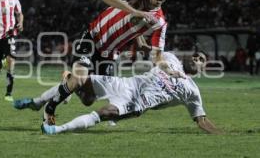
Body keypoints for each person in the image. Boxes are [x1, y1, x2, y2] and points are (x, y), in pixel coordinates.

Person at [16, 0, 174, 121]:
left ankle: (68, 78)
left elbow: (156, 54)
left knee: (88, 99)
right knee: (79, 80)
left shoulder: (159, 22)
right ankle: (49, 109)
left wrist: (160, 62)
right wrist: (135, 11)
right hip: (93, 37)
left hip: (110, 54)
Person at [40, 51, 221, 134]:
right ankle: (69, 81)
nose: (196, 59)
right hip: (127, 84)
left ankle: (56, 129)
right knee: (82, 81)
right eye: (196, 56)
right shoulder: (171, 58)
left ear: (203, 68)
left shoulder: (192, 91)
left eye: (201, 60)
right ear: (188, 56)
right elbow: (154, 52)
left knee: (103, 113)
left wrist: (221, 134)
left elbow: (201, 120)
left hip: (137, 103)